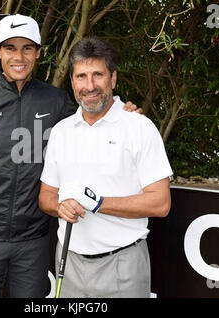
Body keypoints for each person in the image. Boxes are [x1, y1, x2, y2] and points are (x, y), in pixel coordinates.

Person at [0, 15, 140, 298]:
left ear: (38, 53)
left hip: (33, 239)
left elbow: (90, 122)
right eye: (10, 48)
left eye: (27, 48)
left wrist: (124, 112)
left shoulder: (56, 101)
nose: (18, 56)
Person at [39, 37, 173, 298]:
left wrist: (98, 203)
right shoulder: (60, 131)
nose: (90, 86)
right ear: (72, 82)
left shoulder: (139, 127)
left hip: (123, 264)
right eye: (81, 76)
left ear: (113, 79)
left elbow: (160, 203)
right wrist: (59, 206)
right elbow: (46, 196)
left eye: (97, 75)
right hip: (69, 262)